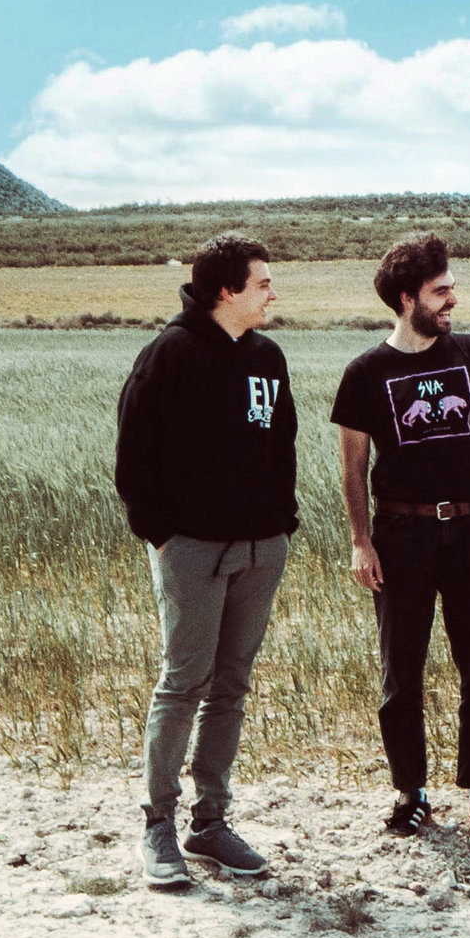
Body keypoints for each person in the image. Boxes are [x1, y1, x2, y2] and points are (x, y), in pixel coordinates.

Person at [116, 234, 297, 887]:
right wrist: (162, 535)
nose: (272, 293)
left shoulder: (267, 357)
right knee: (183, 682)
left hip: (260, 549)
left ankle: (210, 822)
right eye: (262, 283)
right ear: (226, 291)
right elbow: (133, 455)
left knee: (232, 685)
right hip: (190, 549)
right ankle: (158, 825)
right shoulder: (170, 353)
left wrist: (282, 524)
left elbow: (283, 444)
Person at [332, 235, 470, 839]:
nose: (452, 301)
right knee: (401, 672)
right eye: (440, 291)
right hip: (401, 535)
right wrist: (361, 541)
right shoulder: (365, 373)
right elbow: (352, 467)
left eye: (451, 289)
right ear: (405, 298)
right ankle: (411, 792)